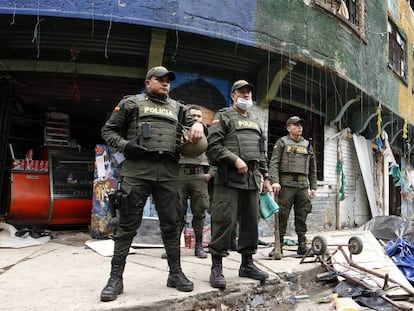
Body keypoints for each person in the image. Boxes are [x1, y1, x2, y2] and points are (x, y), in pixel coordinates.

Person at [100, 66, 204, 301]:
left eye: (168, 80)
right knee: (126, 225)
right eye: (160, 80)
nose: (165, 83)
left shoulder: (178, 108)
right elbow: (108, 131)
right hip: (137, 170)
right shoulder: (131, 103)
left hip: (168, 172)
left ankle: (175, 273)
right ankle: (115, 279)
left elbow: (198, 128)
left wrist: (198, 125)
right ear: (148, 82)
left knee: (172, 224)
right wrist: (126, 146)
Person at [206, 79, 270, 289]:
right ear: (233, 95)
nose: (246, 96)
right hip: (229, 178)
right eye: (241, 93)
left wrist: (266, 176)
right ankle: (217, 267)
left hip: (252, 179)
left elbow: (261, 151)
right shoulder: (223, 116)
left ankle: (247, 264)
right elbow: (212, 146)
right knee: (224, 221)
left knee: (251, 222)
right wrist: (234, 159)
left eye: (248, 93)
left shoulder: (255, 120)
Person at [268, 116, 317, 257]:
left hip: (302, 185)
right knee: (282, 215)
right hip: (286, 184)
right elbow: (274, 163)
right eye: (295, 125)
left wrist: (313, 187)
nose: (299, 127)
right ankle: (279, 244)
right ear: (288, 128)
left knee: (302, 215)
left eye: (301, 125)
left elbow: (312, 168)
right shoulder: (282, 142)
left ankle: (302, 244)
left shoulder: (307, 144)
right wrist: (275, 181)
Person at [177, 105, 215, 258]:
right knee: (177, 213)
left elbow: (216, 154)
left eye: (199, 116)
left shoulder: (208, 134)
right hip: (179, 174)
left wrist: (211, 174)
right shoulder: (177, 131)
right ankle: (173, 247)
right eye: (193, 115)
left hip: (199, 176)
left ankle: (198, 246)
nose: (196, 119)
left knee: (199, 212)